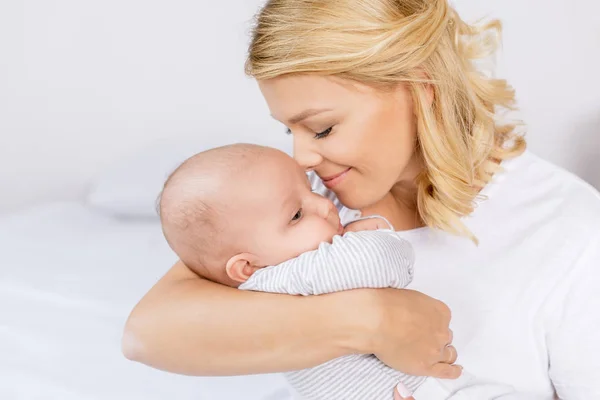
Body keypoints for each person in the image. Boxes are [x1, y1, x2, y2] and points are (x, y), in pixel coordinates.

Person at [123, 0, 600, 399]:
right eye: (288, 129)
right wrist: (369, 320)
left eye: (322, 127)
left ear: (420, 88)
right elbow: (147, 333)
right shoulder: (305, 203)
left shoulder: (570, 231)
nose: (302, 156)